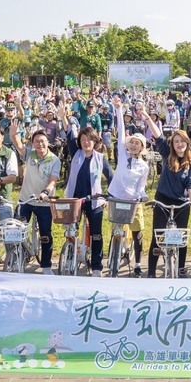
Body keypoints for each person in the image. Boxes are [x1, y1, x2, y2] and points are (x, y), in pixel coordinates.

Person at [143, 107, 191, 278]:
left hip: (182, 202)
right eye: (176, 142)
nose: (180, 144)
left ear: (187, 143)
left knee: (181, 236)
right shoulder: (167, 155)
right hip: (162, 199)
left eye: (182, 141)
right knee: (158, 235)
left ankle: (181, 268)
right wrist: (147, 118)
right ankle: (151, 271)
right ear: (172, 145)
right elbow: (158, 135)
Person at [60, 104, 114, 277]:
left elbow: (111, 178)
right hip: (75, 199)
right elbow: (69, 135)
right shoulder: (76, 153)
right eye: (83, 139)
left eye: (89, 139)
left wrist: (108, 197)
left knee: (96, 234)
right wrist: (63, 117)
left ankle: (97, 266)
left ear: (95, 141)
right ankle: (70, 257)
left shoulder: (100, 158)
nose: (86, 142)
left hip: (94, 200)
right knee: (71, 230)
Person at [107, 97, 150, 276]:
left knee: (137, 232)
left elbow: (141, 186)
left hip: (133, 201)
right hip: (116, 197)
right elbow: (121, 130)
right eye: (131, 142)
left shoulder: (144, 166)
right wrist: (118, 110)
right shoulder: (123, 155)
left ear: (141, 148)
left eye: (137, 143)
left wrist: (143, 195)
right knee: (115, 230)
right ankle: (113, 256)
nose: (132, 145)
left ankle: (138, 262)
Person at [10, 126, 60, 275]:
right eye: (37, 142)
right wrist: (13, 135)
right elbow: (19, 146)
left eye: (43, 141)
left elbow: (53, 180)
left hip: (44, 203)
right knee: (16, 230)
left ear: (48, 142)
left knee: (45, 234)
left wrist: (46, 192)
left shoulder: (54, 160)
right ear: (33, 143)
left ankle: (46, 265)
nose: (40, 144)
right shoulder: (29, 154)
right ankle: (17, 258)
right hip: (25, 200)